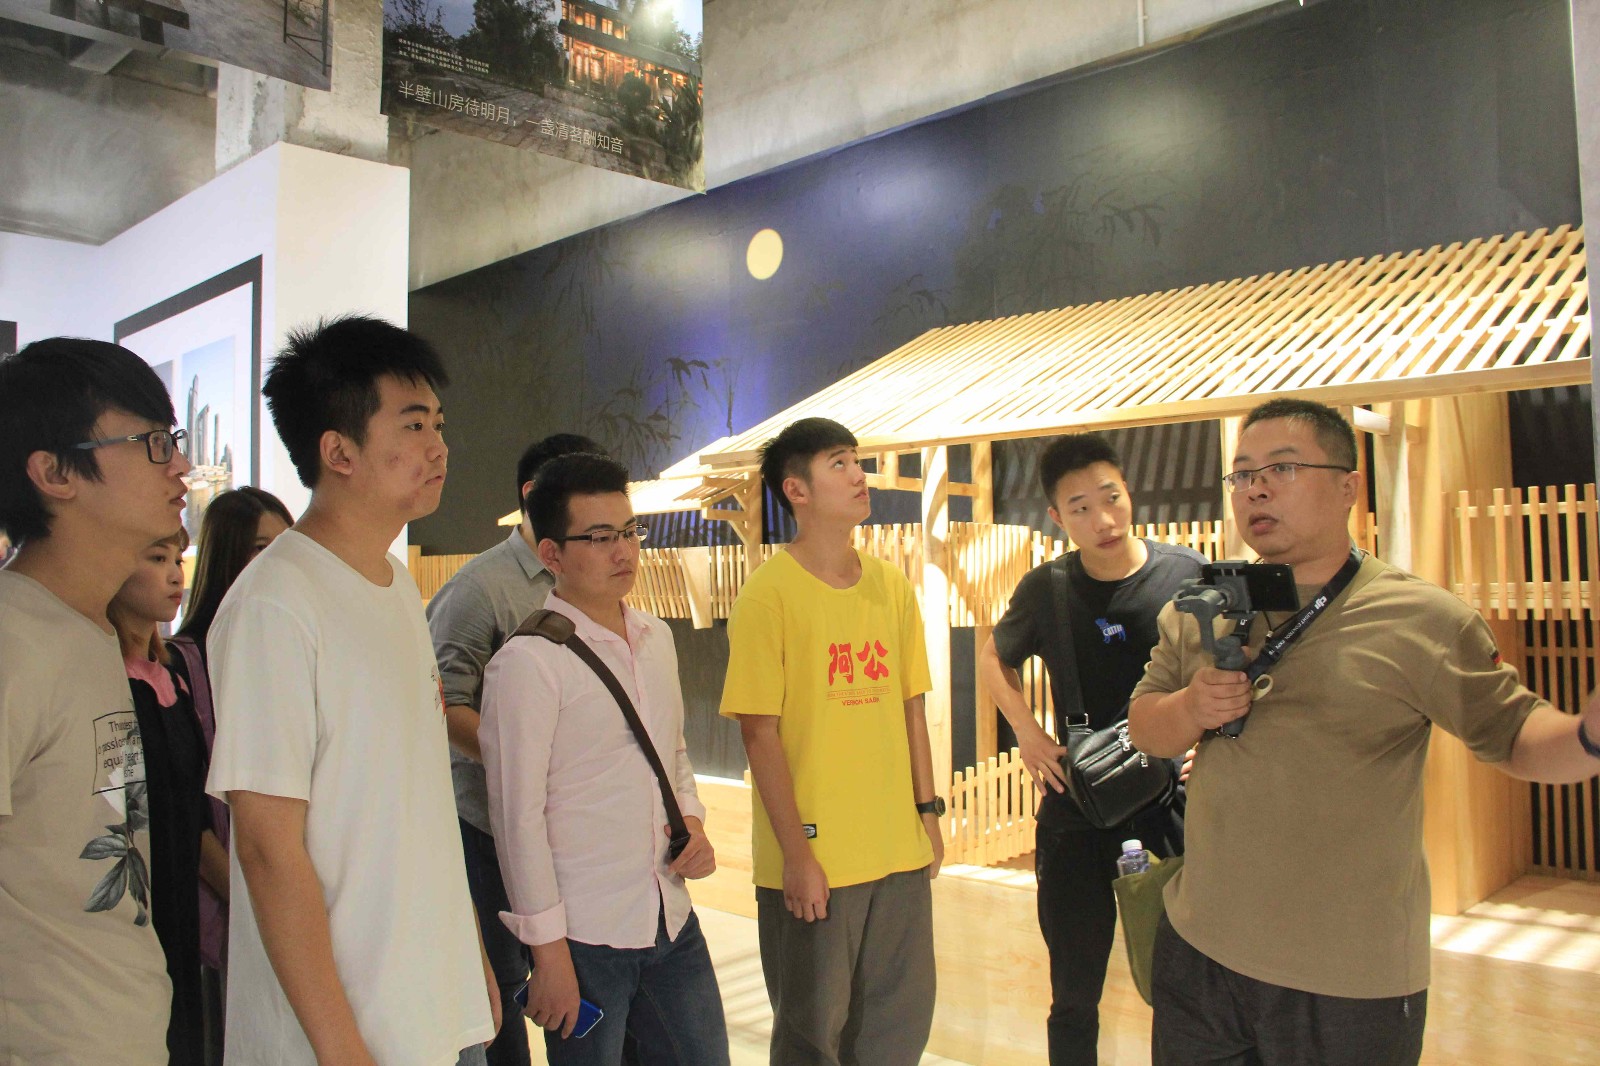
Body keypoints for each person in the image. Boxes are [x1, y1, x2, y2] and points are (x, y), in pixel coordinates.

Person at [1127, 398, 1600, 1066]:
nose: (1256, 488)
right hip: (1200, 950)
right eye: (1243, 473)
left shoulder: (1422, 619)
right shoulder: (1205, 605)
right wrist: (1190, 708)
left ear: (1349, 486)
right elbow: (1146, 727)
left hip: (1347, 981)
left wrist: (1586, 736)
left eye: (1282, 468)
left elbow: (1518, 735)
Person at [205, 315, 497, 1066]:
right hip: (339, 1034)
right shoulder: (275, 603)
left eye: (439, 424)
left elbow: (417, 805)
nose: (439, 447)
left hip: (429, 1007)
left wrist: (467, 957)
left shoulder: (395, 585)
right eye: (413, 425)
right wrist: (340, 1048)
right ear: (338, 451)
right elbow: (267, 848)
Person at [481, 452, 729, 1065]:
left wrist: (692, 821)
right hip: (584, 936)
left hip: (670, 915)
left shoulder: (656, 637)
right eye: (598, 537)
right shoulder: (528, 663)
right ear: (551, 554)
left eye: (629, 531)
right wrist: (548, 953)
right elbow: (517, 821)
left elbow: (672, 753)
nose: (623, 551)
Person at [720, 417, 942, 1066]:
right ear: (797, 490)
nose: (858, 476)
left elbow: (911, 709)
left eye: (857, 461)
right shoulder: (768, 595)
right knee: (812, 1038)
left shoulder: (890, 586)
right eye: (839, 464)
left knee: (896, 1032)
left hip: (897, 853)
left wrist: (927, 815)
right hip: (817, 861)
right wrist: (797, 856)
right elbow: (759, 733)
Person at [976, 432, 1202, 1066]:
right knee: (1074, 994)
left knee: (1186, 986)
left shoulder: (1185, 574)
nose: (1103, 519)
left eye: (1111, 497)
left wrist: (1208, 743)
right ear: (1057, 516)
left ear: (1129, 491)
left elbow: (1228, 670)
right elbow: (994, 657)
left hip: (1169, 799)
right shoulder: (1047, 588)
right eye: (1080, 508)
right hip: (1079, 802)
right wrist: (1027, 733)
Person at [0, 337, 190, 1063]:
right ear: (54, 473)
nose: (179, 465)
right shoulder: (13, 638)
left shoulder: (89, 630)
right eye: (151, 443)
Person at [427, 433, 603, 1066]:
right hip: (489, 824)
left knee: (579, 979)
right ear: (534, 497)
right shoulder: (479, 589)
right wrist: (523, 764)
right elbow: (444, 704)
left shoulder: (593, 581)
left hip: (574, 830)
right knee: (501, 988)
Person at [169, 484, 295, 1065]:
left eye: (287, 547)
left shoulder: (291, 652)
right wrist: (252, 907)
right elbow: (189, 813)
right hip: (228, 912)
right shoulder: (184, 664)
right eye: (261, 549)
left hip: (296, 897)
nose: (278, 563)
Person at [109, 527, 211, 1066]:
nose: (175, 574)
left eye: (178, 559)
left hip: (181, 898)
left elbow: (194, 805)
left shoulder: (174, 674)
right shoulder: (104, 680)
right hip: (129, 902)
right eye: (157, 558)